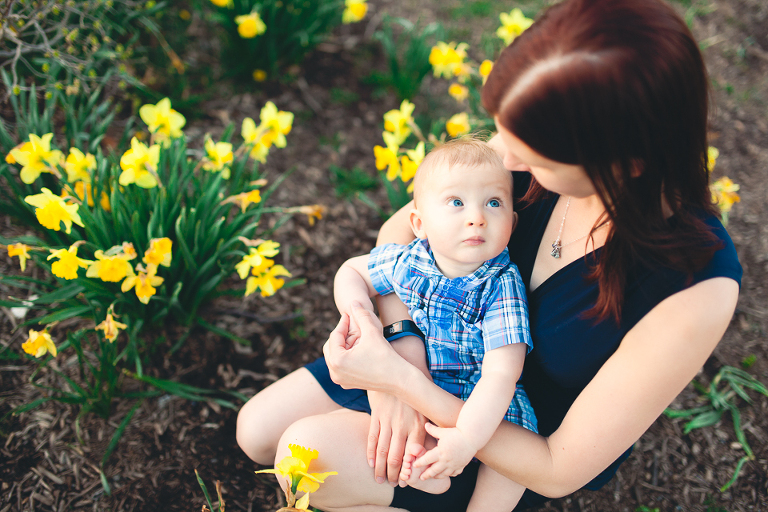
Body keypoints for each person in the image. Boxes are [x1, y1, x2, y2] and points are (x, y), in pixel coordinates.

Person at [236, 0, 742, 510]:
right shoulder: (541, 126)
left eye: (535, 158)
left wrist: (406, 387)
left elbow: (557, 468)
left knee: (305, 458)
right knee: (256, 431)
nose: (508, 158)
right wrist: (398, 346)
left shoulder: (695, 286)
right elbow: (401, 232)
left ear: (625, 162)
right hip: (428, 343)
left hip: (502, 441)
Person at [333, 137, 535, 511]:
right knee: (408, 450)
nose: (476, 217)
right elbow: (351, 271)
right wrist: (362, 318)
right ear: (419, 224)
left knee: (508, 473)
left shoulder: (500, 284)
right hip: (426, 388)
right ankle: (428, 475)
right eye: (456, 202)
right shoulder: (411, 260)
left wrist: (469, 439)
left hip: (483, 404)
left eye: (494, 202)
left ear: (513, 222)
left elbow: (501, 377)